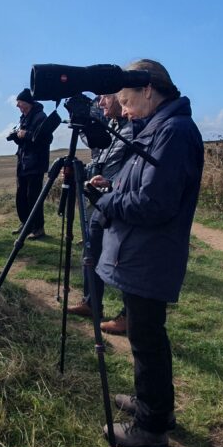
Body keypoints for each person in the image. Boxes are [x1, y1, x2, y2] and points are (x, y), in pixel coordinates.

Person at [91, 59, 203, 447]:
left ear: (148, 90)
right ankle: (155, 405)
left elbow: (156, 203)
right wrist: (116, 184)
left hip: (151, 254)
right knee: (144, 335)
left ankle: (151, 426)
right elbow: (140, 182)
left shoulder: (174, 132)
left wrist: (108, 201)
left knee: (147, 338)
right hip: (141, 252)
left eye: (126, 100)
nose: (123, 109)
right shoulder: (156, 128)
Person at [67, 93, 132, 335]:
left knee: (121, 256)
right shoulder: (112, 126)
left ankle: (129, 315)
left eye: (105, 98)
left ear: (120, 97)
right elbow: (100, 156)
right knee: (91, 250)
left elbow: (135, 168)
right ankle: (91, 303)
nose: (101, 103)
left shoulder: (135, 128)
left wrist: (111, 183)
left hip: (119, 201)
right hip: (100, 200)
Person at [9, 88, 51, 239]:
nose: (18, 106)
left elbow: (45, 138)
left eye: (20, 103)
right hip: (23, 162)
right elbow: (25, 141)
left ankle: (38, 228)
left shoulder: (41, 117)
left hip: (35, 163)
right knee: (21, 195)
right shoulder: (24, 117)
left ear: (28, 103)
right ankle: (25, 224)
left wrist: (26, 134)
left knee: (33, 196)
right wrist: (16, 136)